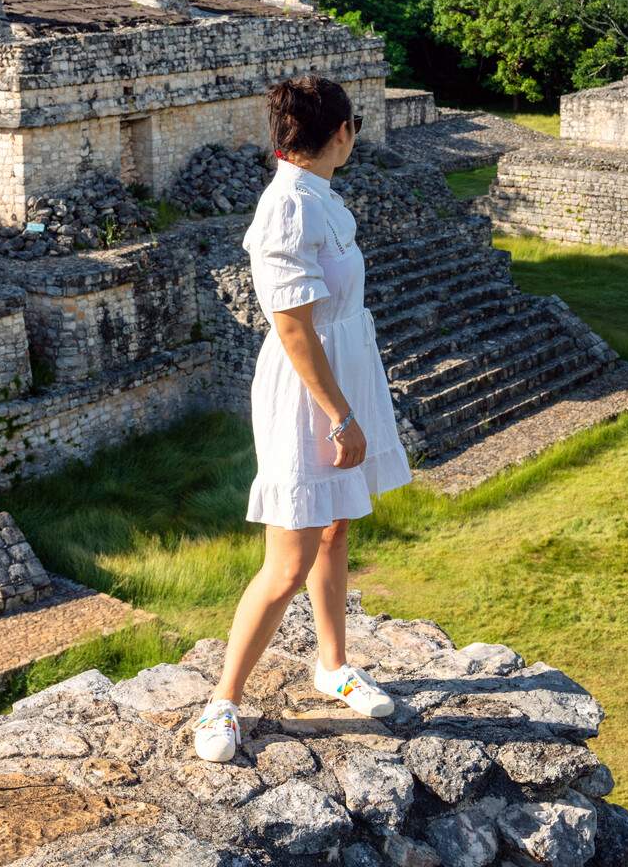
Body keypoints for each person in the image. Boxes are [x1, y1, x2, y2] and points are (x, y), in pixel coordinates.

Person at [192, 74, 413, 763]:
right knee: (287, 558)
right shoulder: (288, 207)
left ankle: (332, 662)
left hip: (341, 370)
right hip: (307, 390)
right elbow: (292, 329)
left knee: (335, 523)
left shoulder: (319, 197)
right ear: (341, 133)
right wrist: (341, 415)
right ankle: (222, 700)